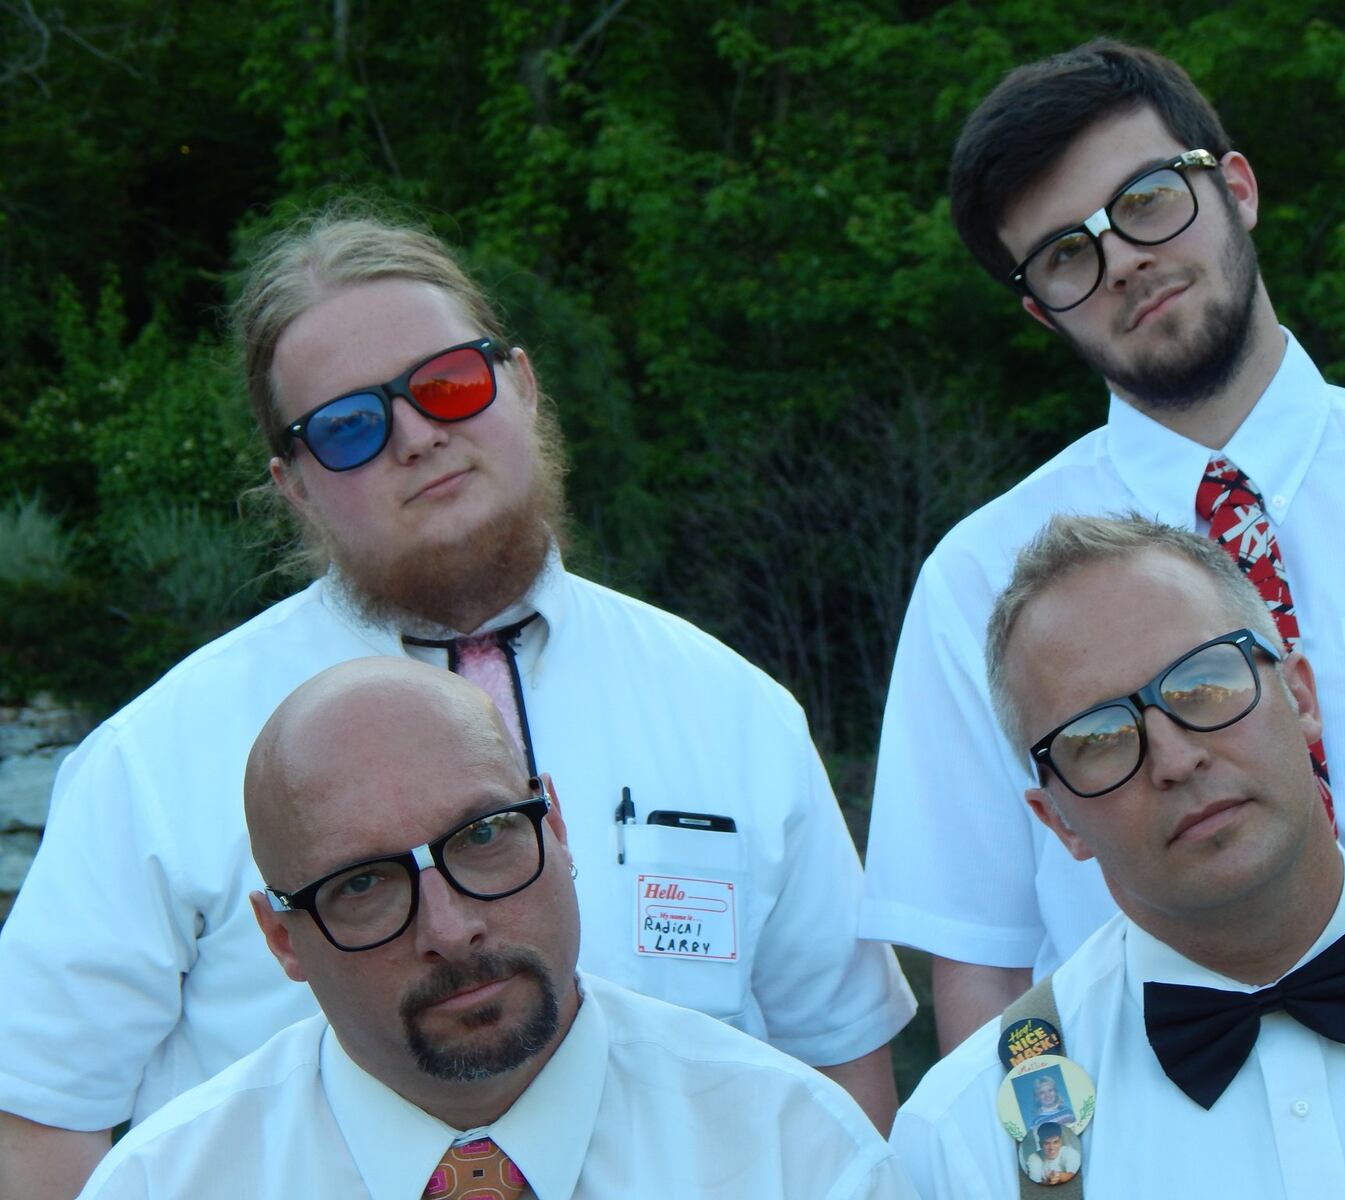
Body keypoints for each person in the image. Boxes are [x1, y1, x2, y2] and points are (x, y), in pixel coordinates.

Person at [0, 207, 913, 1197]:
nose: (419, 436)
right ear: (293, 486)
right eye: (349, 427)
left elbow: (838, 1064)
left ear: (521, 386)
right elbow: (38, 1117)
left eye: (449, 384)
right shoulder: (156, 758)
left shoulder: (734, 711)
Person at [860, 38, 1345, 1054]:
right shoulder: (979, 584)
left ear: (1236, 188)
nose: (1123, 259)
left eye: (1147, 199)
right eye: (1069, 254)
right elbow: (982, 962)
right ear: (1041, 310)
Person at [889, 514, 1345, 1197]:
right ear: (1059, 821)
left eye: (1204, 683)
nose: (1175, 757)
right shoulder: (961, 1141)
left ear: (1300, 696)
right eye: (1099, 737)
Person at [75, 659, 918, 1198]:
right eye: (363, 883)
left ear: (555, 823)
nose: (450, 927)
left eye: (482, 837)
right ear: (282, 939)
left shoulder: (795, 1156)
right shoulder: (166, 1185)